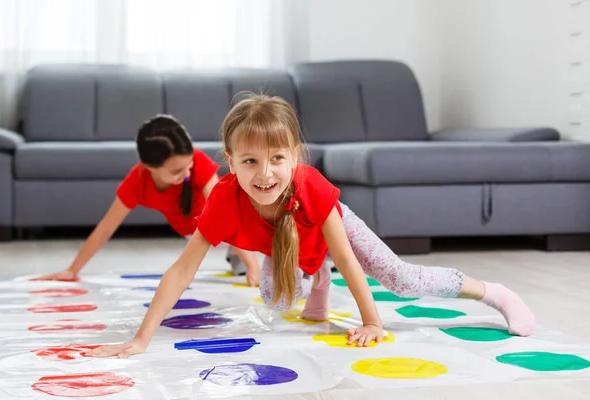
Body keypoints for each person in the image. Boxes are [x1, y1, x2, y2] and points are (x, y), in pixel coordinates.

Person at [87, 94, 535, 359]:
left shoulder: (310, 186)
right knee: (276, 297)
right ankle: (315, 280)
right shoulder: (224, 198)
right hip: (293, 245)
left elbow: (345, 256)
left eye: (277, 159)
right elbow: (181, 272)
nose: (264, 175)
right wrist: (142, 339)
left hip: (333, 227)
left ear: (294, 156)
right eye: (250, 162)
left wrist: (372, 321)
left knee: (400, 278)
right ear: (230, 161)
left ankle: (494, 292)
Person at [33, 114, 260, 286]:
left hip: (226, 221)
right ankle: (238, 255)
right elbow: (104, 229)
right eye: (176, 171)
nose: (187, 173)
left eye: (188, 164)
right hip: (193, 231)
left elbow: (224, 212)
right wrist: (73, 270)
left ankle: (244, 255)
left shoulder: (198, 163)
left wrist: (252, 264)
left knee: (252, 240)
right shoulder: (137, 182)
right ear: (149, 167)